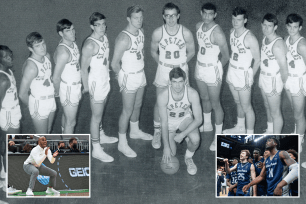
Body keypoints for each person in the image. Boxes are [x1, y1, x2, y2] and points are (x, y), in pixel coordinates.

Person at [151, 2, 195, 149]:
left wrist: (180, 65)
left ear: (178, 16)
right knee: (159, 102)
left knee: (186, 100)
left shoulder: (186, 33)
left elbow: (192, 52)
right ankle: (157, 131)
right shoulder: (158, 32)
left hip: (180, 70)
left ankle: (187, 129)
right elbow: (153, 51)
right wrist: (163, 64)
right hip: (164, 71)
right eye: (167, 16)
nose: (170, 19)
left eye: (173, 16)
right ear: (163, 17)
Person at [111, 5, 153, 158]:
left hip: (140, 74)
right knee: (127, 111)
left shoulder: (140, 32)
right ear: (128, 19)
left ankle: (134, 131)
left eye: (141, 17)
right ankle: (122, 143)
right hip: (129, 76)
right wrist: (122, 77)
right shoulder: (123, 38)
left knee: (138, 105)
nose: (139, 20)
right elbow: (114, 63)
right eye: (136, 18)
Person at [81, 12, 118, 162]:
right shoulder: (90, 45)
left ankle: (101, 136)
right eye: (98, 25)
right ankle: (96, 149)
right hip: (95, 83)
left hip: (105, 80)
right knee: (96, 117)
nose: (102, 27)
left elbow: (105, 60)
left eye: (103, 24)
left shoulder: (104, 37)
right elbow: (83, 68)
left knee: (100, 112)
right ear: (92, 26)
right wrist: (87, 88)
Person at [195, 3, 229, 151]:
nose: (207, 16)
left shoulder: (218, 33)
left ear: (215, 15)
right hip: (199, 67)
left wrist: (216, 68)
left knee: (216, 103)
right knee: (204, 98)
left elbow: (226, 56)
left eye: (210, 14)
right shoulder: (198, 26)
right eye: (205, 13)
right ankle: (207, 124)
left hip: (212, 70)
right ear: (201, 13)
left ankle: (218, 136)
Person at [223, 7, 260, 134]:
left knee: (247, 107)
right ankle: (240, 127)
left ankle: (250, 136)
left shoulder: (250, 37)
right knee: (237, 101)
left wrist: (251, 76)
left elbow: (258, 59)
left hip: (243, 74)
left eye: (239, 20)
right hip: (232, 71)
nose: (235, 22)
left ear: (245, 20)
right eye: (233, 19)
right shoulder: (232, 32)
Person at [158, 68, 201, 175]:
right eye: (174, 82)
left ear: (185, 81)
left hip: (184, 119)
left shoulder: (192, 93)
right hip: (169, 123)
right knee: (171, 153)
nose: (177, 85)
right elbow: (163, 122)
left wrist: (182, 134)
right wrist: (166, 147)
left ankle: (188, 158)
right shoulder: (163, 95)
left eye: (180, 82)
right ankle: (173, 136)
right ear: (170, 82)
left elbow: (199, 119)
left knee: (195, 140)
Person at [19, 32, 56, 134]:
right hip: (39, 104)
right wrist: (32, 106)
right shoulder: (31, 67)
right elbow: (22, 94)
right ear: (31, 49)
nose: (42, 48)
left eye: (43, 44)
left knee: (48, 131)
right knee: (41, 137)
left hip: (51, 100)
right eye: (38, 46)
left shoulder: (47, 56)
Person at [259, 13, 288, 134]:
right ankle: (270, 130)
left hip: (274, 80)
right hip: (263, 76)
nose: (266, 28)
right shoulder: (265, 39)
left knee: (275, 112)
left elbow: (284, 69)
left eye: (269, 26)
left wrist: (284, 85)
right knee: (267, 105)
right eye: (264, 25)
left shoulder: (277, 45)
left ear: (275, 27)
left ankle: (276, 141)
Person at [53, 19, 81, 134]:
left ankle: (64, 138)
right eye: (68, 31)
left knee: (66, 116)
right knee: (71, 122)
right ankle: (67, 150)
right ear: (61, 33)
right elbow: (55, 77)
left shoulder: (72, 44)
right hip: (69, 89)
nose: (73, 33)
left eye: (73, 29)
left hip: (75, 87)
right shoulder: (63, 52)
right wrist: (58, 92)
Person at [284, 13, 305, 148]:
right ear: (286, 26)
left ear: (300, 28)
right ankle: (298, 133)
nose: (292, 30)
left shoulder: (302, 44)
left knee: (299, 114)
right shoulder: (286, 39)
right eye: (290, 26)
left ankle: (300, 140)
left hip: (299, 81)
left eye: (295, 27)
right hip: (289, 79)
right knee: (294, 110)